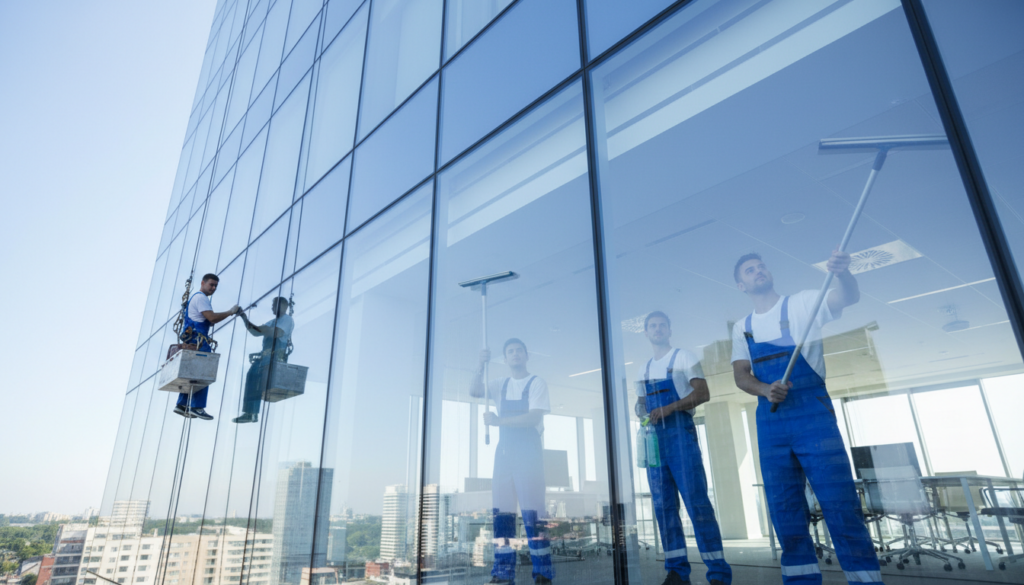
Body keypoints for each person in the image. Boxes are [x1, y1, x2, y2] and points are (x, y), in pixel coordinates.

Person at [730, 252, 882, 585]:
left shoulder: (803, 304)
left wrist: (843, 274)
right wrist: (764, 389)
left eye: (761, 266)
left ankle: (866, 581)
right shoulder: (744, 328)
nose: (759, 271)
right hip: (771, 418)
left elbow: (848, 296)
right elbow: (741, 375)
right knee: (785, 508)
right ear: (742, 285)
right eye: (750, 271)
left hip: (812, 413)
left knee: (839, 502)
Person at [635, 311, 731, 585]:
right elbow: (641, 402)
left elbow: (702, 393)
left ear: (669, 329)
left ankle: (718, 573)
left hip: (680, 436)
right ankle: (676, 571)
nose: (657, 329)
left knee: (697, 503)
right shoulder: (642, 368)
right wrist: (640, 409)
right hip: (655, 440)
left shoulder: (684, 357)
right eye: (652, 326)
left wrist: (670, 408)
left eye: (661, 325)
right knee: (663, 507)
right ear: (645, 332)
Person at [470, 338, 554, 585]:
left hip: (529, 455)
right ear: (505, 359)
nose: (515, 355)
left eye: (519, 351)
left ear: (526, 355)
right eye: (510, 352)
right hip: (504, 455)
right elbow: (474, 391)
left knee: (533, 516)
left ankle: (542, 574)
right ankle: (503, 574)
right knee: (503, 516)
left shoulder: (536, 383)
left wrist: (499, 422)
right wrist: (480, 365)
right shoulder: (500, 384)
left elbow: (532, 418)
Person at [175, 273, 239, 420]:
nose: (213, 288)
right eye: (211, 284)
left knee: (192, 373)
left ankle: (182, 404)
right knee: (203, 374)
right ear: (203, 283)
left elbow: (207, 321)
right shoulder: (201, 298)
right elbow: (212, 318)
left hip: (192, 340)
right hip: (199, 341)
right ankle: (197, 407)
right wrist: (230, 312)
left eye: (216, 286)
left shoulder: (196, 298)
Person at [232, 297, 295, 424]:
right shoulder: (272, 321)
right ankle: (250, 413)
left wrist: (261, 329)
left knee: (258, 378)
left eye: (274, 305)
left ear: (283, 306)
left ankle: (252, 412)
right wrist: (244, 317)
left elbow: (277, 333)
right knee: (252, 376)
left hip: (275, 356)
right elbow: (255, 332)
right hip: (265, 355)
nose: (272, 308)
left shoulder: (287, 319)